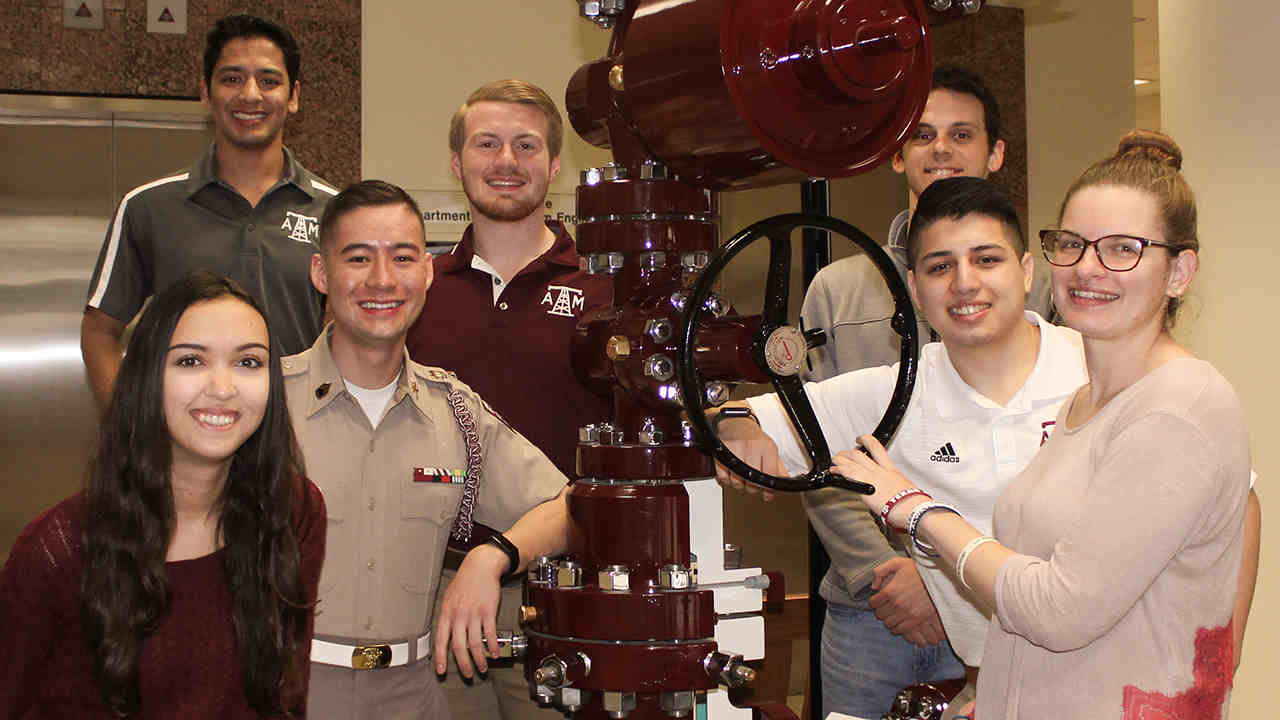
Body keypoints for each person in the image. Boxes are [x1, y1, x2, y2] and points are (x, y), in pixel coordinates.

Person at [830, 131, 1256, 719]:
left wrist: (918, 510)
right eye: (1074, 244)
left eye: (1124, 249)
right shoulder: (1087, 402)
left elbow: (1058, 609)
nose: (1089, 269)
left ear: (1179, 272)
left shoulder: (1177, 409)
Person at [716, 176, 1086, 717]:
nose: (965, 283)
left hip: (1098, 676)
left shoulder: (1093, 371)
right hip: (988, 689)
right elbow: (723, 421)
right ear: (913, 289)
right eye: (940, 267)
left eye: (987, 260)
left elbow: (1231, 506)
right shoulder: (897, 393)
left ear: (1027, 272)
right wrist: (733, 419)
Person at [794, 66, 1051, 719]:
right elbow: (817, 451)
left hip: (1007, 605)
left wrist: (951, 580)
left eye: (961, 134)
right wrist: (889, 574)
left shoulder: (1041, 294)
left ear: (994, 152)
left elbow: (1060, 456)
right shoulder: (838, 290)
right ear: (895, 155)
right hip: (872, 611)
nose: (941, 149)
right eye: (923, 134)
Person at [286, 179, 574, 719]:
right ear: (321, 274)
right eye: (357, 258)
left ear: (426, 273)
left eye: (401, 258)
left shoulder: (456, 413)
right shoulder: (265, 406)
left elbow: (568, 506)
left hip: (414, 698)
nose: (381, 280)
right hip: (290, 691)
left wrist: (494, 558)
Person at [0, 270, 326, 718]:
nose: (223, 388)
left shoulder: (293, 510)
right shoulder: (57, 551)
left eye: (248, 362)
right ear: (147, 378)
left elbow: (285, 695)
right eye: (191, 361)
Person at [404, 79, 610, 719]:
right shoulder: (415, 291)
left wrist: (738, 415)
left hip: (567, 586)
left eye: (526, 146)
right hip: (432, 591)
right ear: (456, 163)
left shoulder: (606, 293)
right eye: (486, 143)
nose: (506, 161)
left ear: (554, 166)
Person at [81, 14, 339, 412]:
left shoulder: (334, 211)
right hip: (186, 450)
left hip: (296, 451)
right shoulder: (149, 206)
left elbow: (349, 334)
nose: (250, 95)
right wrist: (134, 430)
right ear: (205, 92)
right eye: (231, 79)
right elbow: (100, 331)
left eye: (269, 81)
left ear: (293, 96)